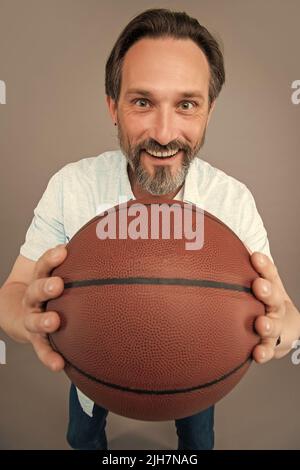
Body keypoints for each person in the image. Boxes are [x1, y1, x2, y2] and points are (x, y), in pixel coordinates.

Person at [0, 8, 299, 450]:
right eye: (142, 102)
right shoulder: (72, 186)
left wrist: (281, 329)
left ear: (208, 112)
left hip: (199, 375)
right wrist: (26, 317)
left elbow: (288, 316)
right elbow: (12, 294)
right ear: (113, 107)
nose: (164, 132)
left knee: (197, 445)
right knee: (82, 439)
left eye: (186, 105)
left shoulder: (232, 201)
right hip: (89, 367)